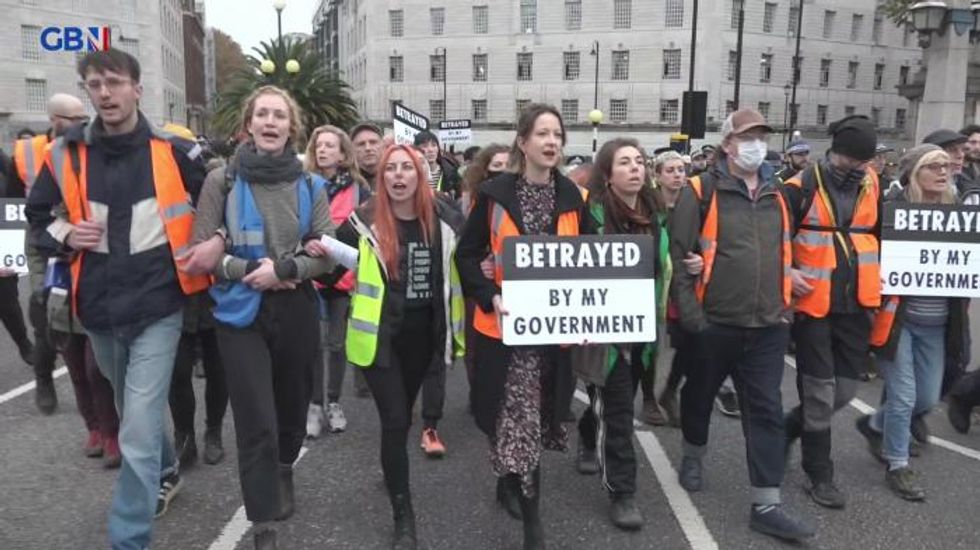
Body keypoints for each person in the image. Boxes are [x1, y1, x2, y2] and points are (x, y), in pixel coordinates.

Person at [26, 49, 209, 549]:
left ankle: (129, 538)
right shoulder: (64, 154)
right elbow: (36, 217)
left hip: (158, 306)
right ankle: (167, 468)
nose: (104, 92)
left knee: (138, 422)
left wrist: (216, 244)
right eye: (95, 84)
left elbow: (220, 204)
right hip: (99, 309)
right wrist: (67, 235)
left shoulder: (174, 152)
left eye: (114, 82)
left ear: (137, 89)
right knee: (135, 410)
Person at [185, 85, 336, 550]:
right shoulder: (221, 181)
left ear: (292, 127)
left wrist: (287, 269)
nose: (270, 123)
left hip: (294, 308)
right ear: (248, 124)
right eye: (262, 115)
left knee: (290, 412)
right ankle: (263, 520)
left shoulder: (311, 184)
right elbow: (200, 255)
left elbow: (329, 255)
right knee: (256, 420)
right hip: (239, 312)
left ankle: (285, 466)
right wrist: (252, 270)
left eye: (279, 116)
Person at [670, 108, 813, 541]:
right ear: (728, 145)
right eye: (747, 136)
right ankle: (694, 453)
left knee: (766, 410)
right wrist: (694, 320)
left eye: (762, 136)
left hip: (768, 324)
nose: (756, 144)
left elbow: (778, 250)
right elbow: (678, 259)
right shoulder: (700, 190)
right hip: (715, 323)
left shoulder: (777, 193)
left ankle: (766, 502)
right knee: (698, 397)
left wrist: (785, 291)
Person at [456, 104, 595, 549]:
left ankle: (513, 482)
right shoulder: (495, 194)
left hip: (552, 336)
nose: (552, 142)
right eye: (542, 134)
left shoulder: (576, 199)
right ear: (523, 142)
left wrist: (592, 311)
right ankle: (533, 523)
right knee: (517, 418)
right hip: (505, 333)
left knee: (534, 420)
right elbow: (466, 254)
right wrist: (488, 294)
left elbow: (594, 262)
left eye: (557, 135)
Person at [334, 144, 464, 549]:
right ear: (382, 177)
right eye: (391, 169)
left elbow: (474, 258)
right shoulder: (363, 220)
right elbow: (329, 267)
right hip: (380, 338)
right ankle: (404, 517)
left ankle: (393, 469)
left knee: (403, 417)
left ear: (421, 174)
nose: (399, 175)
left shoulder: (446, 218)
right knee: (394, 420)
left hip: (425, 336)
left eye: (408, 167)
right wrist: (307, 261)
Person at [855, 145, 970, 500]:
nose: (943, 171)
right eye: (933, 166)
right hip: (898, 323)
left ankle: (874, 424)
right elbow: (868, 259)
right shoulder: (891, 214)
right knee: (904, 398)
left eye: (946, 167)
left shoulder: (962, 217)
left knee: (926, 399)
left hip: (938, 326)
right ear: (913, 173)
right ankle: (898, 465)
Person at [781, 115, 881, 510]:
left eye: (863, 161)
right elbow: (775, 238)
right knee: (821, 393)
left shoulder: (872, 186)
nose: (856, 168)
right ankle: (819, 474)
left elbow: (882, 234)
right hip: (813, 307)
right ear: (833, 153)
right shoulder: (797, 187)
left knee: (847, 391)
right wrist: (787, 272)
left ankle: (792, 425)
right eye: (848, 160)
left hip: (855, 305)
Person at [572, 138, 670, 530]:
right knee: (619, 415)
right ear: (608, 175)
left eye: (639, 162)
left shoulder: (658, 213)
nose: (635, 168)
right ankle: (622, 492)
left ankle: (584, 432)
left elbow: (665, 265)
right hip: (604, 334)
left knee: (611, 406)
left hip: (643, 331)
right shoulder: (590, 216)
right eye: (624, 162)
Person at [9, 93, 91, 412]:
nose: (83, 125)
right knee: (45, 318)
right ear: (57, 120)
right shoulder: (27, 154)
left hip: (76, 237)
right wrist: (8, 256)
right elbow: (12, 207)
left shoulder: (86, 147)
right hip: (42, 239)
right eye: (77, 120)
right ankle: (44, 380)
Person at [302, 124, 371, 438]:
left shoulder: (358, 189)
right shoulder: (303, 185)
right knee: (313, 344)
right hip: (309, 277)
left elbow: (369, 233)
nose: (323, 150)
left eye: (330, 145)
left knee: (337, 344)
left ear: (343, 153)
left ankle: (333, 402)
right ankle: (315, 404)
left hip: (344, 278)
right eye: (319, 145)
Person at [459, 144, 510, 410]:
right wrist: (481, 264)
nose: (502, 173)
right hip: (479, 286)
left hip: (508, 285)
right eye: (496, 167)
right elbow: (466, 243)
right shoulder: (476, 201)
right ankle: (477, 391)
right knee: (476, 345)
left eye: (508, 166)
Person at [414, 130, 461, 198]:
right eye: (425, 146)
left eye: (434, 145)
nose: (430, 150)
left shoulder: (450, 172)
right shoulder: (412, 173)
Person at [352, 122, 385, 190]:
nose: (368, 148)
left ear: (383, 146)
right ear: (352, 149)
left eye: (373, 142)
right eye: (361, 144)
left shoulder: (395, 178)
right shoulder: (344, 183)